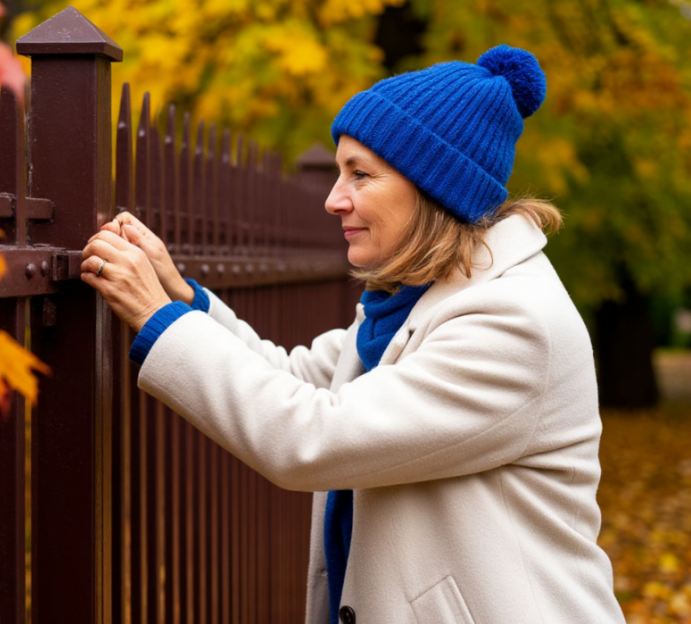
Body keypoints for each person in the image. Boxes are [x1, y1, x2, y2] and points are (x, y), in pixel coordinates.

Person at [80, 44, 625, 623]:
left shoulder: (513, 325)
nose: (334, 199)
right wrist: (182, 300)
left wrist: (156, 320)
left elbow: (311, 435)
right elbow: (293, 377)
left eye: (360, 175)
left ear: (434, 188)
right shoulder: (414, 302)